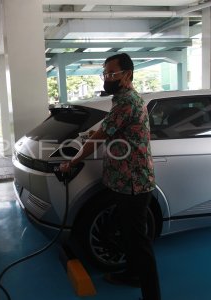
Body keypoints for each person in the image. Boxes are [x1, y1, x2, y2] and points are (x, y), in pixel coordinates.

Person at [60, 53, 161, 300]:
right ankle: (131, 275)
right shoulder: (121, 101)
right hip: (123, 182)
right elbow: (107, 127)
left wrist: (72, 162)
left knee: (139, 243)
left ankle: (152, 295)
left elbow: (101, 136)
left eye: (112, 74)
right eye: (105, 74)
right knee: (127, 234)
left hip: (134, 184)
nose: (107, 78)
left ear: (127, 74)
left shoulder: (127, 102)